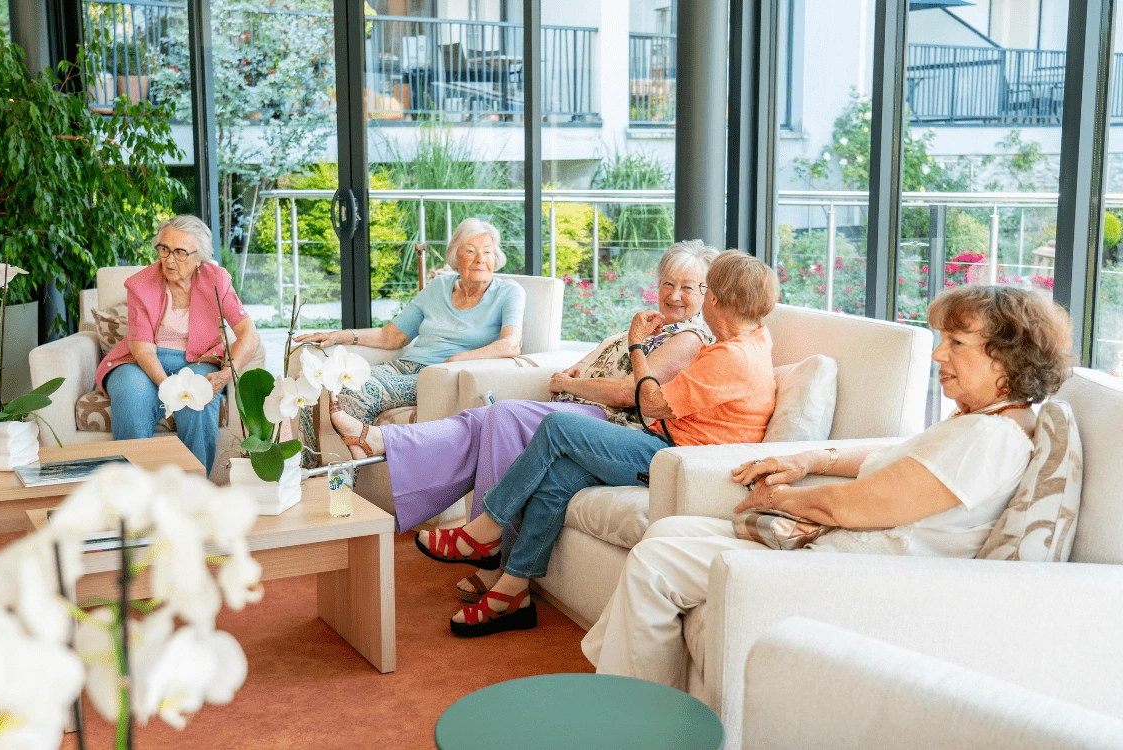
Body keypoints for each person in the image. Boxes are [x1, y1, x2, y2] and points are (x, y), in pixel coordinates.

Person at [581, 285, 1074, 688]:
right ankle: (638, 695)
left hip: (860, 577)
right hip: (848, 555)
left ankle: (635, 714)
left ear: (1005, 359)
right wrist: (812, 457)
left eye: (957, 344)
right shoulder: (979, 422)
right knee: (668, 532)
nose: (939, 354)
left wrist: (776, 499)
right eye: (941, 340)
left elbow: (855, 507)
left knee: (657, 560)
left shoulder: (988, 438)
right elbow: (890, 461)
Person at [324, 240, 721, 601]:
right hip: (584, 407)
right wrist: (573, 378)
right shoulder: (650, 325)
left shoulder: (689, 337)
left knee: (505, 415)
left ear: (706, 294)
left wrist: (572, 384)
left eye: (688, 287)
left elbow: (627, 392)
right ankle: (380, 441)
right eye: (668, 284)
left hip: (609, 424)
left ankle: (486, 549)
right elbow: (590, 370)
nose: (675, 295)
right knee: (485, 421)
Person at [414, 250, 782, 637]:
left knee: (558, 427)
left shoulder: (730, 356)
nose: (698, 298)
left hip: (674, 457)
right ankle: (512, 593)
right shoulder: (755, 338)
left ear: (717, 301)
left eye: (703, 290)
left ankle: (484, 531)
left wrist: (637, 344)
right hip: (674, 447)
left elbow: (650, 401)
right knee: (559, 473)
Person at [294, 218, 525, 436]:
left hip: (437, 376)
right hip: (405, 366)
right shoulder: (438, 287)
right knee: (319, 383)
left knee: (356, 390)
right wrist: (338, 336)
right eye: (471, 251)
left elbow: (511, 345)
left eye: (487, 252)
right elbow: (391, 337)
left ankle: (346, 475)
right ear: (456, 256)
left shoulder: (508, 292)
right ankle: (308, 468)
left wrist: (459, 358)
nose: (480, 259)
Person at [96, 215, 260, 471]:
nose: (170, 260)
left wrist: (227, 374)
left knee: (196, 402)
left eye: (180, 252)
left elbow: (248, 332)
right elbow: (142, 349)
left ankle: (192, 496)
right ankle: (130, 495)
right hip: (141, 361)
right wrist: (170, 388)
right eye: (164, 249)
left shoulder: (217, 280)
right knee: (131, 393)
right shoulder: (140, 284)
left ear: (199, 257)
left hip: (200, 360)